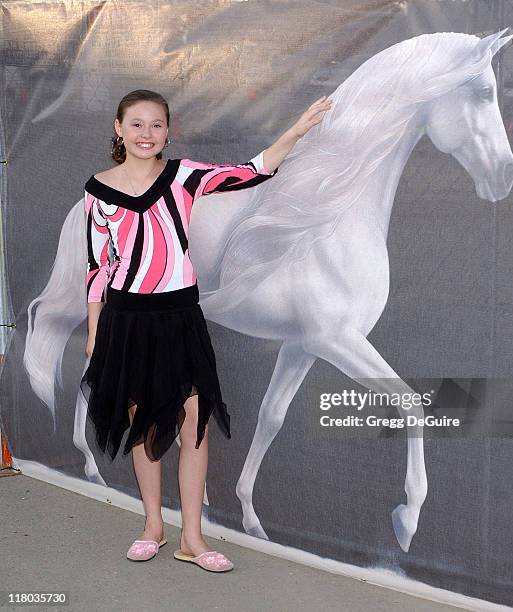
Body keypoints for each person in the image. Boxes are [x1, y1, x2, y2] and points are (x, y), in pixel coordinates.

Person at [80, 89, 333, 572]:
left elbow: (253, 169)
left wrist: (299, 128)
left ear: (168, 131)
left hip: (180, 318)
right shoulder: (97, 190)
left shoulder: (184, 176)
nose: (146, 134)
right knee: (145, 425)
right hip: (126, 321)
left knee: (193, 422)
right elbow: (97, 266)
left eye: (156, 125)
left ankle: (191, 538)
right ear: (118, 129)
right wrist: (95, 331)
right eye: (136, 124)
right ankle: (153, 526)